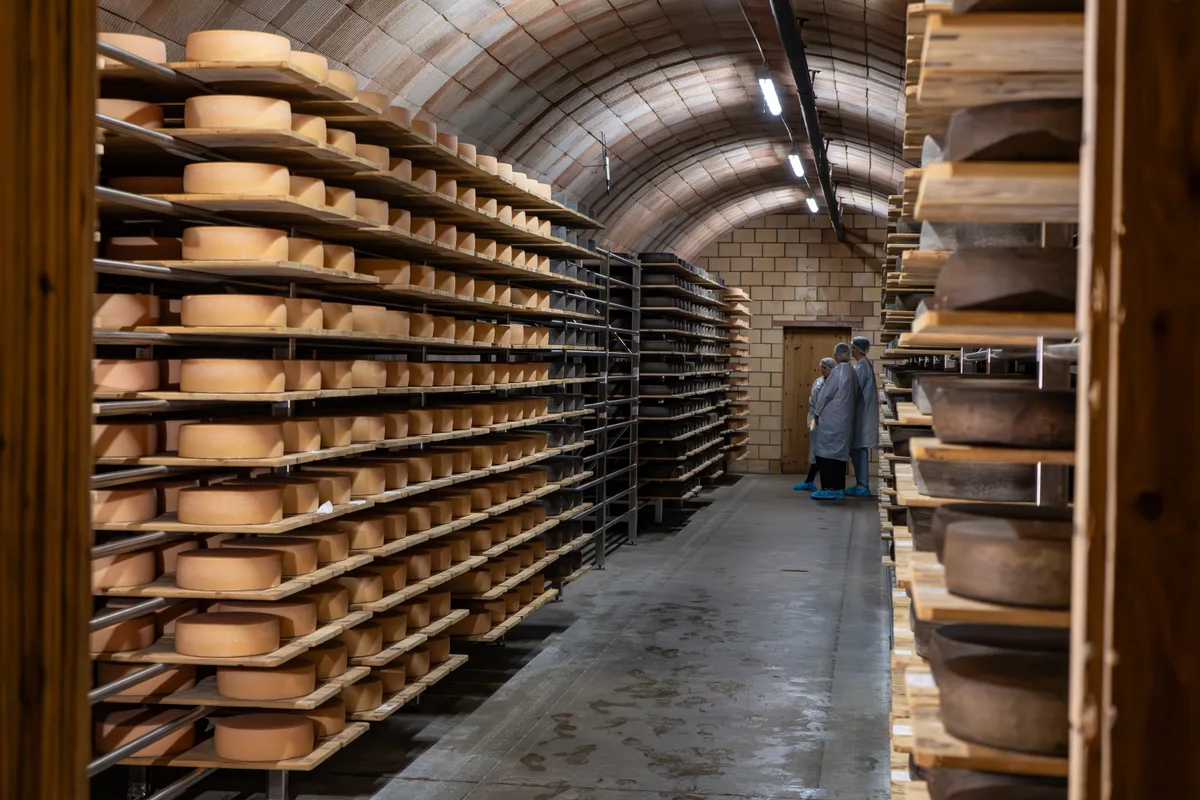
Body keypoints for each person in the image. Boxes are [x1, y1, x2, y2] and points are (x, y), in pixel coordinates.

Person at [810, 343, 858, 500]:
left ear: (836, 356)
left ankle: (829, 488)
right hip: (845, 421)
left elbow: (825, 395)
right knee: (839, 456)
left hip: (831, 421)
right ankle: (838, 488)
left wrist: (816, 414)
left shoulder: (837, 372)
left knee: (825, 455)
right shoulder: (852, 371)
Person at [794, 357, 836, 491]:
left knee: (824, 452)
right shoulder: (818, 382)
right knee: (815, 451)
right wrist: (814, 418)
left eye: (825, 368)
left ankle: (825, 484)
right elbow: (813, 402)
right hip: (815, 420)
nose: (822, 370)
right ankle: (810, 481)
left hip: (829, 422)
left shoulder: (835, 383)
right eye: (821, 367)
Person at [848, 336, 878, 497]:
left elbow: (854, 391)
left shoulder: (861, 367)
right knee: (857, 448)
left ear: (858, 350)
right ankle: (861, 483)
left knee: (858, 448)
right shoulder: (862, 365)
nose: (851, 350)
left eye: (852, 347)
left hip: (861, 415)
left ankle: (862, 485)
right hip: (861, 414)